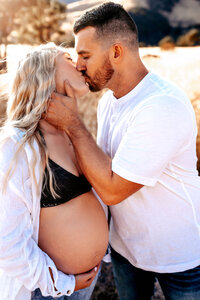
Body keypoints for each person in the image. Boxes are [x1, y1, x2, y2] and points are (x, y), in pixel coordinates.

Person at [44, 2, 200, 300]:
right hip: (125, 250)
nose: (78, 65)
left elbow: (113, 190)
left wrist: (73, 125)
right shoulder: (108, 101)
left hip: (180, 256)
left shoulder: (161, 105)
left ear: (117, 52)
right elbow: (101, 167)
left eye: (85, 55)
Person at [0, 43, 109, 300]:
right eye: (69, 59)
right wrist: (60, 282)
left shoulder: (71, 133)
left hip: (85, 282)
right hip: (44, 289)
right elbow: (6, 241)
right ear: (44, 73)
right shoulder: (15, 145)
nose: (80, 65)